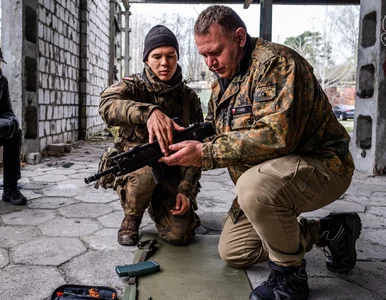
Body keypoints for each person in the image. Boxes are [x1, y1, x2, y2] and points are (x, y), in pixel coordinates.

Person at [159, 5, 361, 300]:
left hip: (323, 165)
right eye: (203, 55)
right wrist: (186, 136)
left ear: (239, 38)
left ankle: (290, 276)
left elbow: (277, 137)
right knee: (235, 251)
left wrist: (205, 152)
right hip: (271, 176)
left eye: (215, 51)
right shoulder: (223, 83)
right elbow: (218, 129)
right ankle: (329, 230)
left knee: (252, 188)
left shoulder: (276, 63)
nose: (210, 62)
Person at [99, 25, 204, 246]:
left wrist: (186, 191)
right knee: (145, 173)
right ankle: (132, 215)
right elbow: (107, 105)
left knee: (181, 235)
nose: (164, 63)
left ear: (177, 57)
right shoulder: (133, 87)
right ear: (147, 59)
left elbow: (198, 147)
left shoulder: (188, 98)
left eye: (170, 56)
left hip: (171, 169)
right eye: (156, 56)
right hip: (138, 169)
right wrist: (148, 112)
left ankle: (158, 204)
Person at [0, 47, 27, 206]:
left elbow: (6, 111)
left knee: (14, 133)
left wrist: (13, 123)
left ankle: (10, 188)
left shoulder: (2, 81)